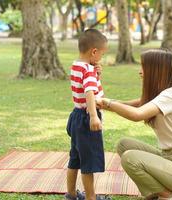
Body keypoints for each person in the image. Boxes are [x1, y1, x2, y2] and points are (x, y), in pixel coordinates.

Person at [96, 48, 172, 200]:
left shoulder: (170, 94)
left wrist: (109, 103)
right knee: (124, 145)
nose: (140, 71)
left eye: (143, 67)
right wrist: (102, 102)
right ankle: (155, 193)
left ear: (155, 70)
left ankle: (167, 196)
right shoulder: (161, 94)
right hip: (169, 158)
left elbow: (136, 115)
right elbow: (130, 106)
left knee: (130, 157)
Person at [65, 29, 110, 200]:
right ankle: (91, 197)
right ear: (94, 51)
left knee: (75, 158)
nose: (101, 58)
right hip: (86, 118)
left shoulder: (77, 65)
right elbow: (90, 92)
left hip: (76, 116)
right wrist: (93, 116)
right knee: (88, 163)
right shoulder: (88, 71)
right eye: (102, 54)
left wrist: (96, 74)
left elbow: (87, 86)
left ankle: (70, 194)